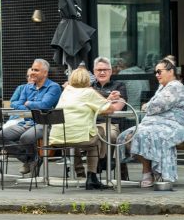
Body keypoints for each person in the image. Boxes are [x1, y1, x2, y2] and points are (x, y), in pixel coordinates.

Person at [49, 69, 123, 189]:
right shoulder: (89, 92)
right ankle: (99, 166)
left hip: (58, 137)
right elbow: (109, 109)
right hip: (79, 137)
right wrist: (105, 99)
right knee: (101, 134)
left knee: (95, 141)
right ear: (88, 80)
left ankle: (92, 176)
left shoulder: (66, 91)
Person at [117, 58, 184, 186]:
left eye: (159, 71)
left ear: (171, 72)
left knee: (142, 135)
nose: (157, 75)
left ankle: (148, 172)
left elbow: (156, 106)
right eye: (155, 72)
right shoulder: (162, 87)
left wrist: (146, 106)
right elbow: (154, 105)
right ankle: (149, 171)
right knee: (126, 137)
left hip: (172, 125)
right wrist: (148, 106)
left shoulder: (175, 86)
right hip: (154, 124)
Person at [0, 59, 62, 175]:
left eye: (36, 70)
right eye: (32, 69)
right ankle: (31, 159)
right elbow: (15, 104)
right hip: (26, 123)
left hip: (45, 124)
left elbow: (44, 106)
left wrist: (28, 104)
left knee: (25, 138)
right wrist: (30, 107)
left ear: (45, 73)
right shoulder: (28, 87)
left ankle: (31, 159)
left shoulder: (53, 87)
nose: (32, 72)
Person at [90, 56, 128, 178]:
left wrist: (98, 105)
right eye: (99, 70)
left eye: (105, 69)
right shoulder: (89, 87)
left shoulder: (119, 86)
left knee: (109, 136)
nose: (102, 72)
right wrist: (108, 100)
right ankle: (93, 170)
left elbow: (117, 108)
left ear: (111, 71)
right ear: (94, 72)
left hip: (111, 124)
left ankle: (104, 164)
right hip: (92, 124)